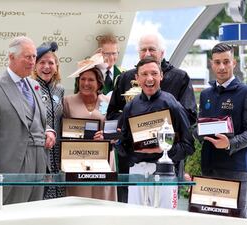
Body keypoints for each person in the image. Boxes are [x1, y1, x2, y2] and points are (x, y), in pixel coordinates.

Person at [107, 31, 197, 203]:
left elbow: (188, 139)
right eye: (143, 50)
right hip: (135, 169)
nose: (149, 78)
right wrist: (121, 138)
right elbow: (118, 130)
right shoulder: (129, 100)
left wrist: (164, 146)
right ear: (137, 78)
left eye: (152, 49)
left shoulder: (174, 95)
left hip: (165, 168)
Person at [0, 36, 56, 204]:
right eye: (28, 57)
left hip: (39, 164)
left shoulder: (34, 86)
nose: (32, 61)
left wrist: (48, 130)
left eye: (34, 57)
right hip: (11, 168)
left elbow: (36, 119)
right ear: (11, 57)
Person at [120, 56, 194, 207]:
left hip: (165, 172)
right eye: (144, 74)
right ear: (137, 78)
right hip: (137, 172)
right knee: (135, 220)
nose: (149, 78)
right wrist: (117, 142)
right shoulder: (130, 106)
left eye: (154, 73)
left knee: (165, 220)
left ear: (161, 76)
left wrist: (164, 150)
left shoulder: (172, 104)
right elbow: (123, 147)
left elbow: (188, 145)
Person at [198, 43, 247, 218]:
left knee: (236, 221)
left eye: (226, 61)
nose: (222, 67)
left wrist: (229, 144)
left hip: (235, 172)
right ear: (212, 64)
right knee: (209, 221)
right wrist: (197, 131)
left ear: (235, 63)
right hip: (208, 170)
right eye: (217, 62)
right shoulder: (206, 94)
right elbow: (202, 123)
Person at [64, 53, 116, 201]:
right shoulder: (67, 102)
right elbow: (63, 132)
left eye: (91, 79)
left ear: (99, 83)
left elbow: (116, 131)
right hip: (77, 160)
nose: (86, 83)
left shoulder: (108, 101)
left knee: (102, 200)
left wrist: (108, 137)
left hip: (104, 159)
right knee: (79, 199)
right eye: (83, 79)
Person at [31, 41, 65, 199]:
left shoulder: (60, 89)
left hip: (58, 153)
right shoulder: (30, 87)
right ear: (35, 66)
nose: (46, 67)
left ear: (56, 66)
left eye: (51, 63)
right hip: (38, 152)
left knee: (57, 197)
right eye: (42, 62)